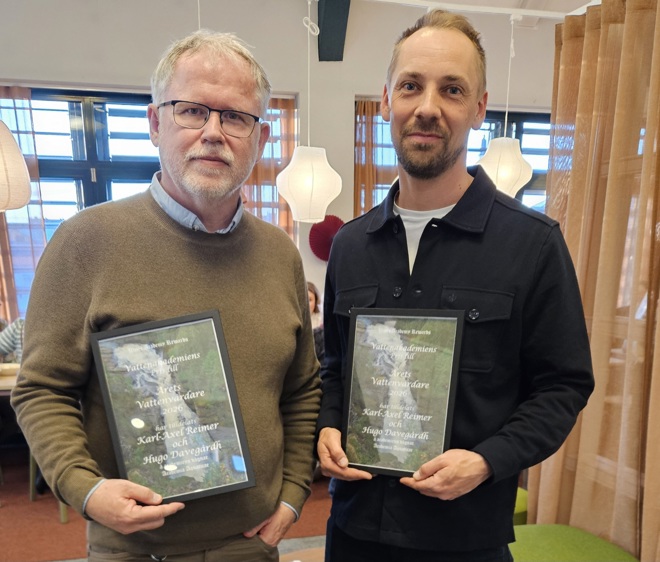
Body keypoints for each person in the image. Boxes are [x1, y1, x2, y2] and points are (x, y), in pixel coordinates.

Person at [12, 29, 320, 562]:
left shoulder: (280, 254)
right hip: (135, 549)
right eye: (192, 111)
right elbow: (42, 389)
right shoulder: (85, 242)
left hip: (251, 546)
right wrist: (86, 488)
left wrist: (293, 494)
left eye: (236, 117)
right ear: (155, 122)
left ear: (261, 138)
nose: (214, 133)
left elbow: (301, 390)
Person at [316, 10, 594, 562]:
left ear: (479, 108)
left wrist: (489, 460)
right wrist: (328, 425)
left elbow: (563, 386)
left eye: (452, 89)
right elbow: (335, 369)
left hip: (466, 539)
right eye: (411, 86)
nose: (428, 107)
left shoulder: (533, 243)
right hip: (355, 533)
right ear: (387, 100)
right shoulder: (350, 245)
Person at [307, 281, 324, 361]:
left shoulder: (321, 321)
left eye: (310, 299)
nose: (306, 303)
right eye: (303, 299)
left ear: (316, 301)